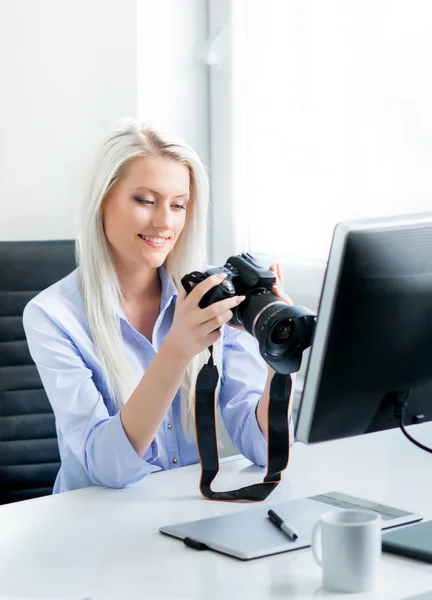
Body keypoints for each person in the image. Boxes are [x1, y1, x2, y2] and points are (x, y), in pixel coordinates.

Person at [23, 118, 295, 494]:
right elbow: (108, 468)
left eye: (179, 205)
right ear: (103, 200)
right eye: (145, 201)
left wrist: (277, 355)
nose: (165, 222)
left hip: (183, 515)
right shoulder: (51, 316)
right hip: (91, 526)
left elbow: (263, 448)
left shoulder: (209, 299)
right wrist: (176, 351)